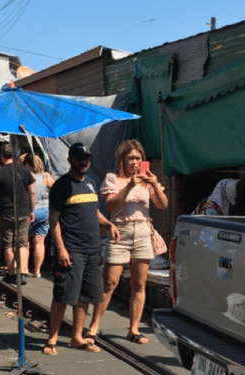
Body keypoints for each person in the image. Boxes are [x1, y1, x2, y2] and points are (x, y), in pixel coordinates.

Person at [85, 139, 167, 346]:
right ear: (122, 159)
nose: (135, 162)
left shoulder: (147, 181)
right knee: (110, 283)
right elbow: (111, 206)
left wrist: (155, 184)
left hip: (142, 232)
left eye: (138, 158)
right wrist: (129, 186)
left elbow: (162, 205)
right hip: (120, 232)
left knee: (139, 284)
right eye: (131, 158)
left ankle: (133, 329)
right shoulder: (113, 178)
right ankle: (93, 326)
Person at [42, 143, 119, 355]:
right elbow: (54, 219)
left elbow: (95, 213)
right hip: (71, 250)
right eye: (79, 158)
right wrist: (61, 249)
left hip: (93, 249)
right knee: (63, 295)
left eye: (87, 158)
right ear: (70, 160)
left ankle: (77, 336)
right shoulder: (61, 186)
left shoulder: (91, 184)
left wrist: (109, 224)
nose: (83, 162)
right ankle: (52, 339)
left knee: (85, 295)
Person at [0, 143, 35, 284]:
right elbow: (32, 192)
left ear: (2, 157)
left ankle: (11, 273)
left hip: (6, 214)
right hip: (23, 212)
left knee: (8, 244)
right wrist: (31, 210)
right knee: (22, 243)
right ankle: (21, 273)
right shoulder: (25, 170)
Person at [24, 154, 54, 278]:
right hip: (45, 211)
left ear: (28, 165)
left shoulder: (26, 176)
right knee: (40, 242)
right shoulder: (46, 176)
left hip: (30, 212)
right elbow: (56, 189)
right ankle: (37, 271)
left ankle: (24, 269)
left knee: (24, 242)